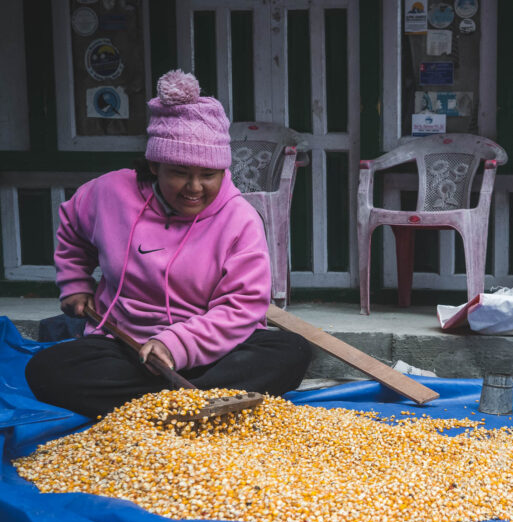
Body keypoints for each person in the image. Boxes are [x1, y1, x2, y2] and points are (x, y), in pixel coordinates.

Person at [26, 70, 312, 419]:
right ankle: (191, 405)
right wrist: (75, 282)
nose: (194, 187)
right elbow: (72, 226)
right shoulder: (109, 193)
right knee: (46, 369)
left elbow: (241, 308)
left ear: (224, 171)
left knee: (290, 350)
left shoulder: (240, 219)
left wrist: (176, 345)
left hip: (212, 349)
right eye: (179, 172)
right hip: (126, 345)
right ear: (154, 164)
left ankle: (154, 407)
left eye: (208, 175)